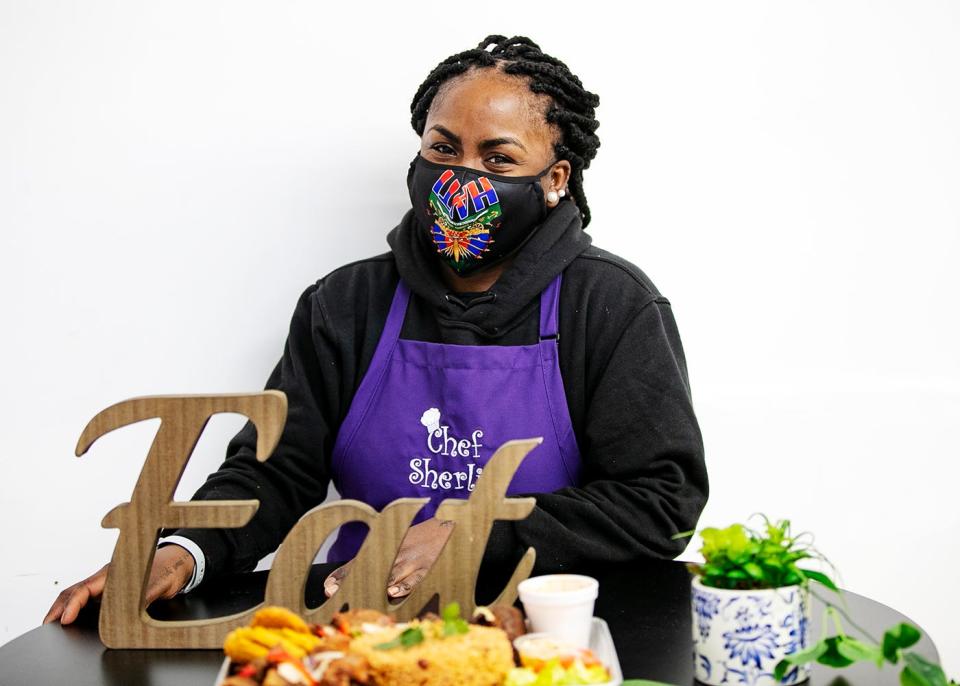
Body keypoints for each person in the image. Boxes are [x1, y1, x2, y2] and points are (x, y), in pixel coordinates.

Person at [45, 34, 708, 625]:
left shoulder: (611, 305)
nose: (459, 179)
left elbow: (658, 502)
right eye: (442, 148)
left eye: (498, 158)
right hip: (358, 613)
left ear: (555, 178)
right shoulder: (347, 302)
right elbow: (275, 473)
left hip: (549, 630)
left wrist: (471, 530)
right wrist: (181, 554)